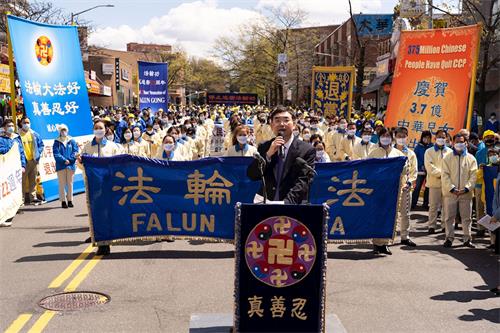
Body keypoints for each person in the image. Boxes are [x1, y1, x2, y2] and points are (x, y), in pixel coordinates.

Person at [247, 106, 316, 204]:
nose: (282, 124)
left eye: (286, 120)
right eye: (277, 120)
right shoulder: (264, 146)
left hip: (292, 205)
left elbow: (304, 181)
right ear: (271, 125)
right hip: (266, 203)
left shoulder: (307, 150)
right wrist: (268, 155)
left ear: (294, 124)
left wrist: (285, 203)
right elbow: (252, 175)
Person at [79, 120, 122, 256]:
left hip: (109, 185)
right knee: (96, 214)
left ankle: (106, 241)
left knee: (108, 213)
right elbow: (82, 166)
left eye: (101, 128)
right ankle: (100, 241)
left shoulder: (113, 146)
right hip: (93, 186)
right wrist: (80, 162)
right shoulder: (87, 147)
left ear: (105, 130)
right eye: (96, 128)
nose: (98, 130)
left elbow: (119, 164)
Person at [368, 127, 406, 255]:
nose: (386, 138)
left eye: (388, 136)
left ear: (392, 138)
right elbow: (368, 169)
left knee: (391, 216)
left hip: (393, 189)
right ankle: (376, 243)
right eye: (383, 136)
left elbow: (405, 170)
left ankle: (385, 243)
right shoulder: (373, 153)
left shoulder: (398, 154)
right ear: (379, 138)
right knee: (377, 215)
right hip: (378, 189)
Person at [441, 133, 478, 248]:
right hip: (450, 193)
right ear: (452, 143)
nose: (459, 144)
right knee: (449, 217)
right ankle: (449, 238)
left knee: (466, 217)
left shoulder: (471, 158)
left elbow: (474, 175)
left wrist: (466, 188)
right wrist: (452, 188)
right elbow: (444, 175)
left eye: (461, 142)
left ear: (466, 143)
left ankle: (467, 238)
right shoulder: (447, 157)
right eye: (457, 142)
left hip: (465, 193)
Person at [393, 127, 418, 247]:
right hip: (391, 188)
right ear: (394, 136)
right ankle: (389, 236)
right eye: (399, 136)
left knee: (405, 213)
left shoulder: (411, 154)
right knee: (391, 213)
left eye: (404, 136)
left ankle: (405, 236)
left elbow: (414, 171)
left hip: (406, 188)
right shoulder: (390, 151)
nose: (401, 139)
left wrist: (409, 182)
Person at [424, 130, 452, 234]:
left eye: (443, 137)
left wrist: (446, 176)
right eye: (439, 136)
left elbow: (452, 167)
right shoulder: (429, 151)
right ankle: (431, 225)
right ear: (435, 138)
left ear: (446, 139)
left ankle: (445, 226)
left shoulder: (450, 152)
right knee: (433, 206)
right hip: (434, 183)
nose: (441, 139)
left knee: (446, 206)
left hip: (447, 184)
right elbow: (429, 167)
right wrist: (442, 174)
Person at [0, 120, 26, 227]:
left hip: (16, 169)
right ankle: (4, 216)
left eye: (12, 125)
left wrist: (23, 165)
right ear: (4, 128)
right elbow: (2, 150)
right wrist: (11, 147)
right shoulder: (1, 139)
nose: (11, 127)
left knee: (15, 190)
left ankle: (12, 211)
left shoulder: (17, 138)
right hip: (5, 170)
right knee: (5, 192)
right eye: (8, 126)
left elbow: (21, 153)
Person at [19, 117, 44, 204]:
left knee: (33, 180)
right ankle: (21, 200)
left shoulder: (34, 134)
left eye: (28, 122)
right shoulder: (18, 135)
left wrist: (38, 154)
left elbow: (41, 145)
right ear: (21, 123)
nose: (26, 124)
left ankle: (33, 197)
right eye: (24, 122)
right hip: (23, 162)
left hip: (34, 161)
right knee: (22, 181)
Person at [52, 124, 79, 208]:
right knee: (62, 184)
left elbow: (75, 151)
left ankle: (70, 200)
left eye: (65, 130)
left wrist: (70, 160)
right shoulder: (56, 142)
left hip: (71, 165)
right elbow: (56, 153)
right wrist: (64, 160)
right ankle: (63, 201)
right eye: (62, 130)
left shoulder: (72, 141)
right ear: (59, 131)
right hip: (61, 166)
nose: (64, 132)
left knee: (70, 183)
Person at [412, 131, 433, 209]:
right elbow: (415, 158)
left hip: (429, 171)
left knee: (428, 188)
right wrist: (421, 165)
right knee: (417, 187)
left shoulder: (432, 147)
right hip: (420, 171)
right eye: (425, 137)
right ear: (422, 138)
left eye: (428, 137)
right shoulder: (418, 147)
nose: (426, 139)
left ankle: (425, 204)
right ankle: (413, 204)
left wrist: (428, 166)